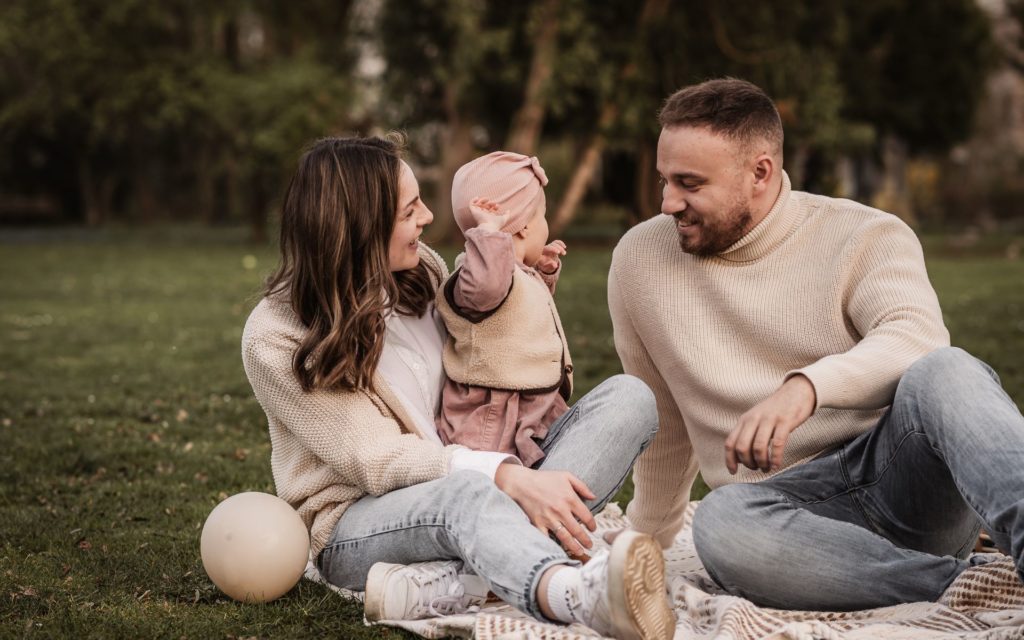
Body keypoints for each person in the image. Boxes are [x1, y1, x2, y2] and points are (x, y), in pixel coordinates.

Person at [608, 78, 1024, 611]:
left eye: (689, 183)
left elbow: (914, 337)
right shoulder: (640, 260)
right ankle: (972, 586)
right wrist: (643, 544)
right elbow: (663, 422)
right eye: (664, 179)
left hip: (901, 484)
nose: (668, 202)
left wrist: (806, 388)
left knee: (946, 370)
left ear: (759, 172)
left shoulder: (865, 234)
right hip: (779, 517)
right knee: (718, 523)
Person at [241, 135, 675, 639]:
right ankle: (575, 594)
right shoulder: (277, 335)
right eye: (409, 210)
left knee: (630, 397)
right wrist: (506, 476)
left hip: (473, 468)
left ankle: (469, 577)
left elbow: (483, 346)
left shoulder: (419, 270)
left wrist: (528, 283)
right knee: (466, 493)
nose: (427, 218)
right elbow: (376, 459)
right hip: (358, 522)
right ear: (361, 226)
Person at [436, 151, 571, 467]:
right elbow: (489, 287)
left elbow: (520, 311)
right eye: (542, 217)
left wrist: (542, 271)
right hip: (492, 422)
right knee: (495, 485)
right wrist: (490, 234)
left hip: (530, 405)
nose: (545, 226)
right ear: (523, 225)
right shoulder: (476, 279)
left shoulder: (511, 274)